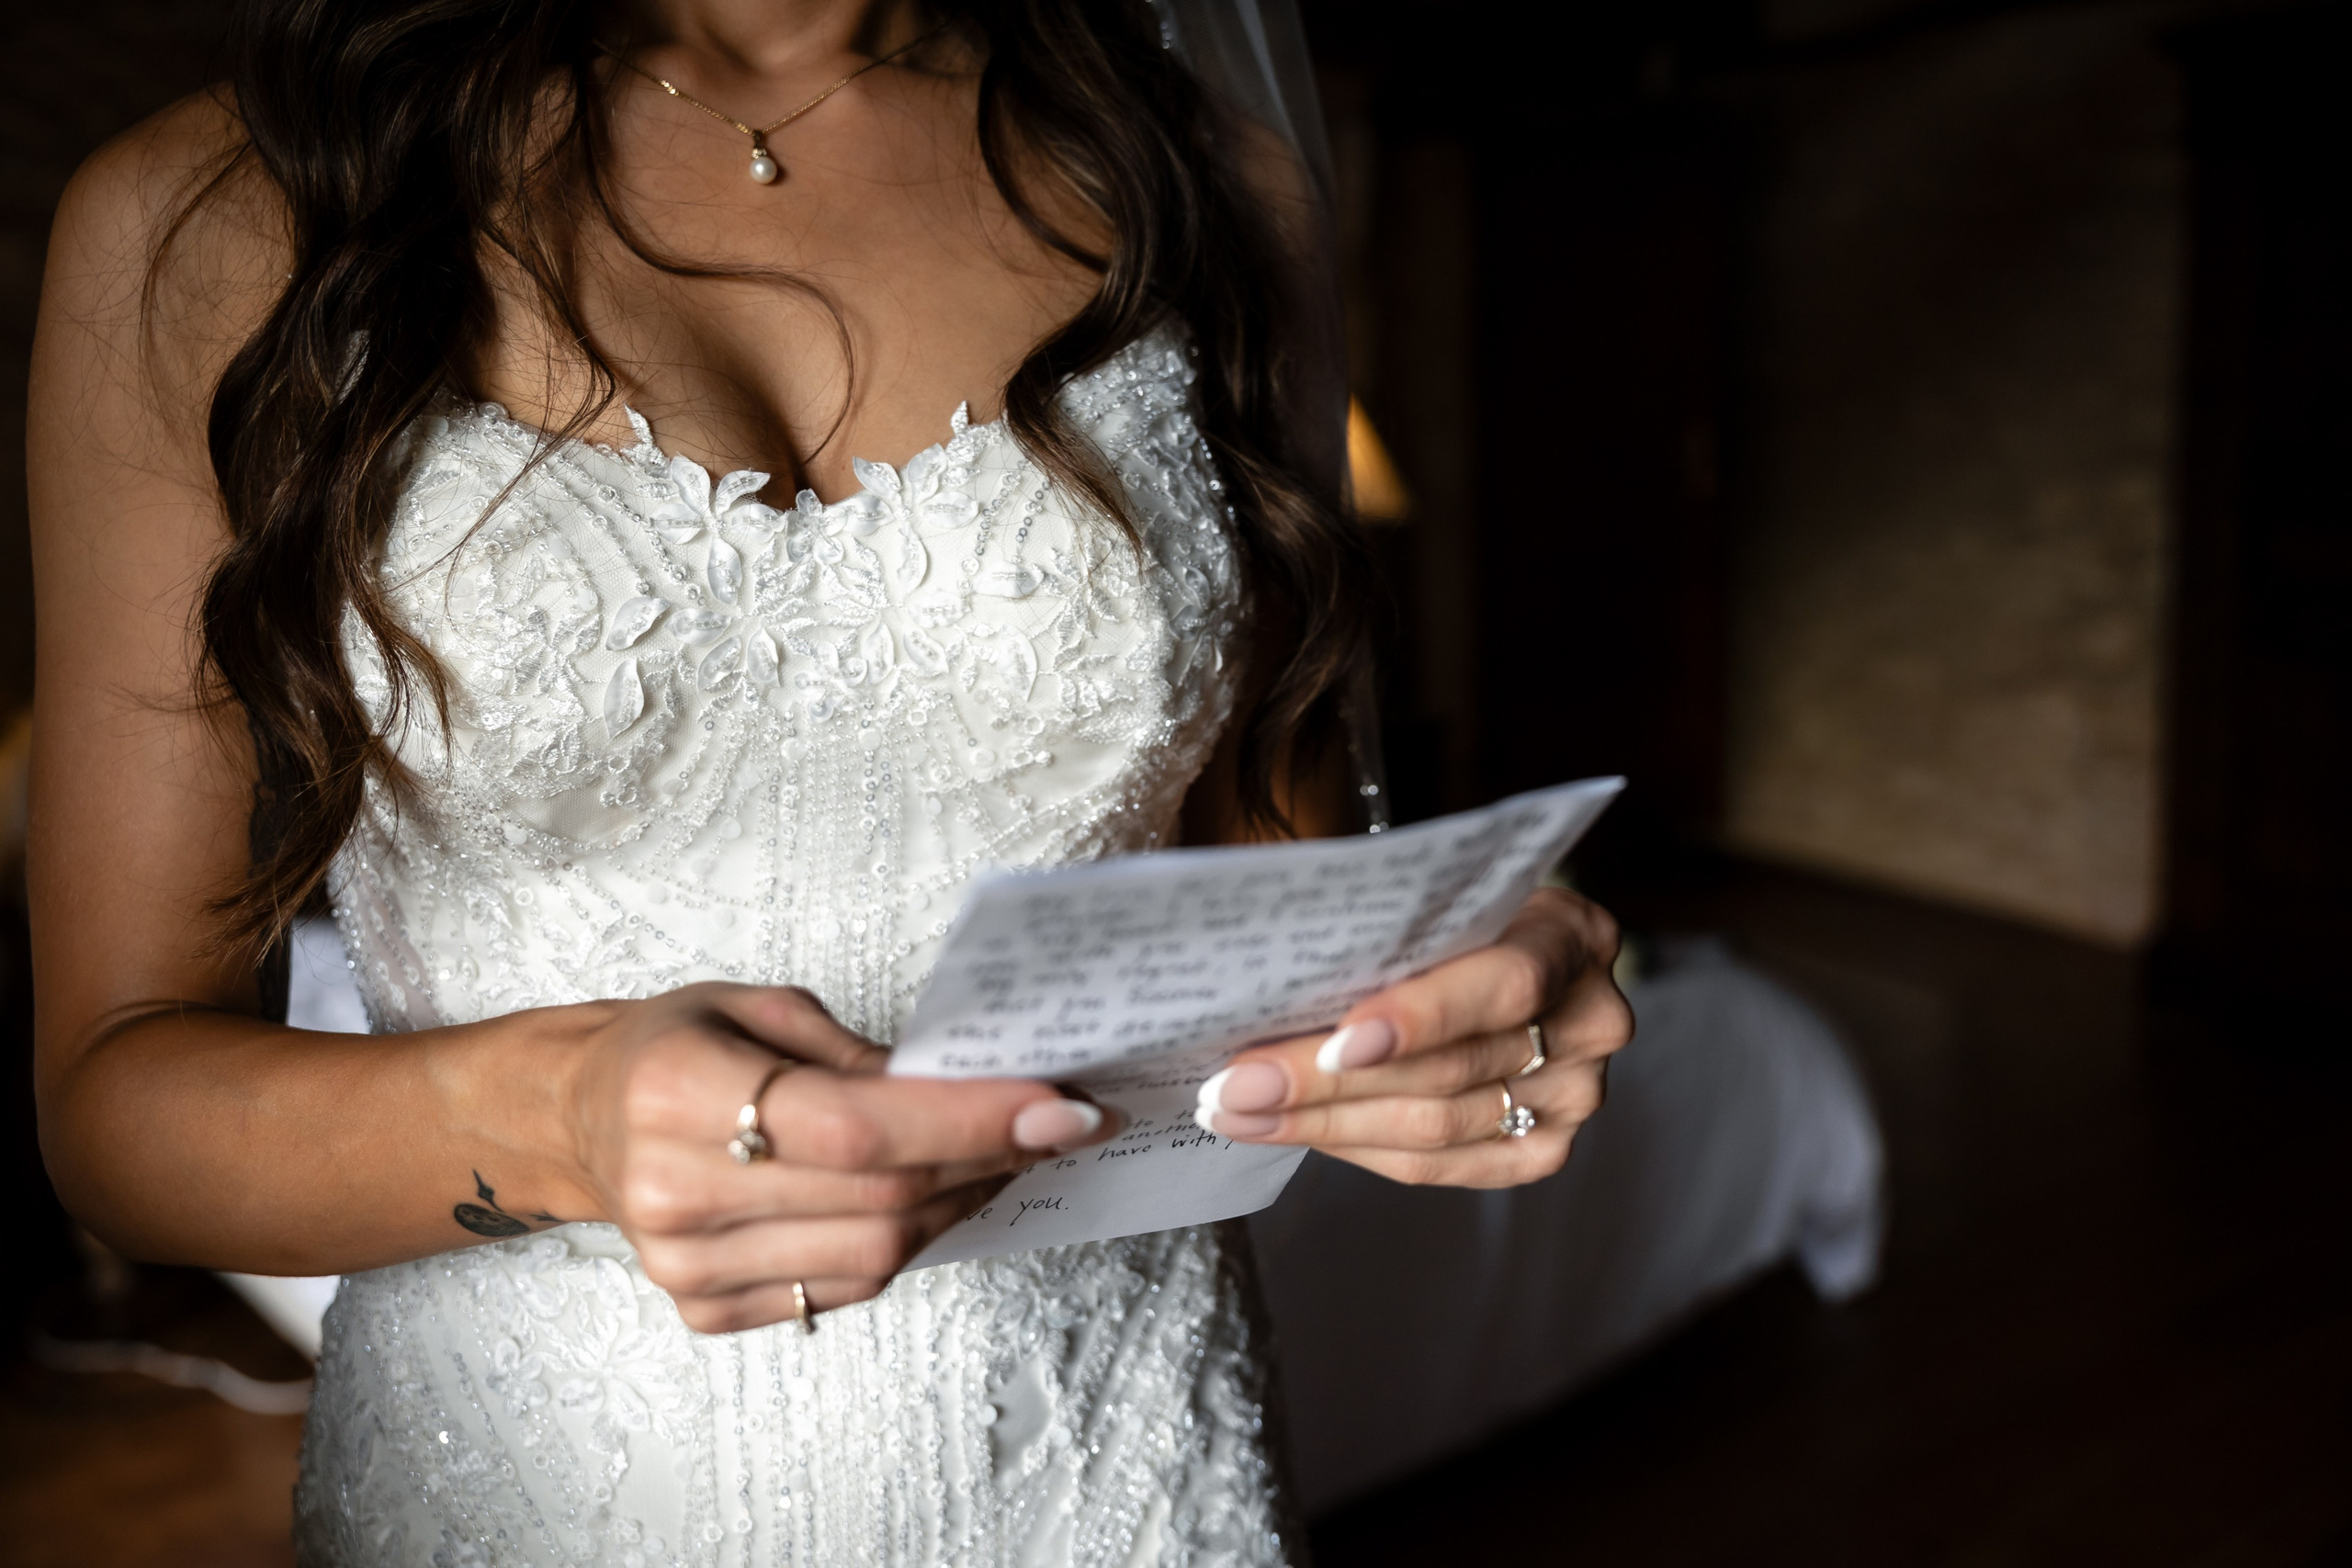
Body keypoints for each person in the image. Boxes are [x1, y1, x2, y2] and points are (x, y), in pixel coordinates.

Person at [26, 0, 1633, 1561]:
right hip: (533, 1488)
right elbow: (114, 1095)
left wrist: (1472, 976)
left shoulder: (1208, 186)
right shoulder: (220, 221)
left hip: (1119, 1468)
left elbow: (1267, 898)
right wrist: (568, 1115)